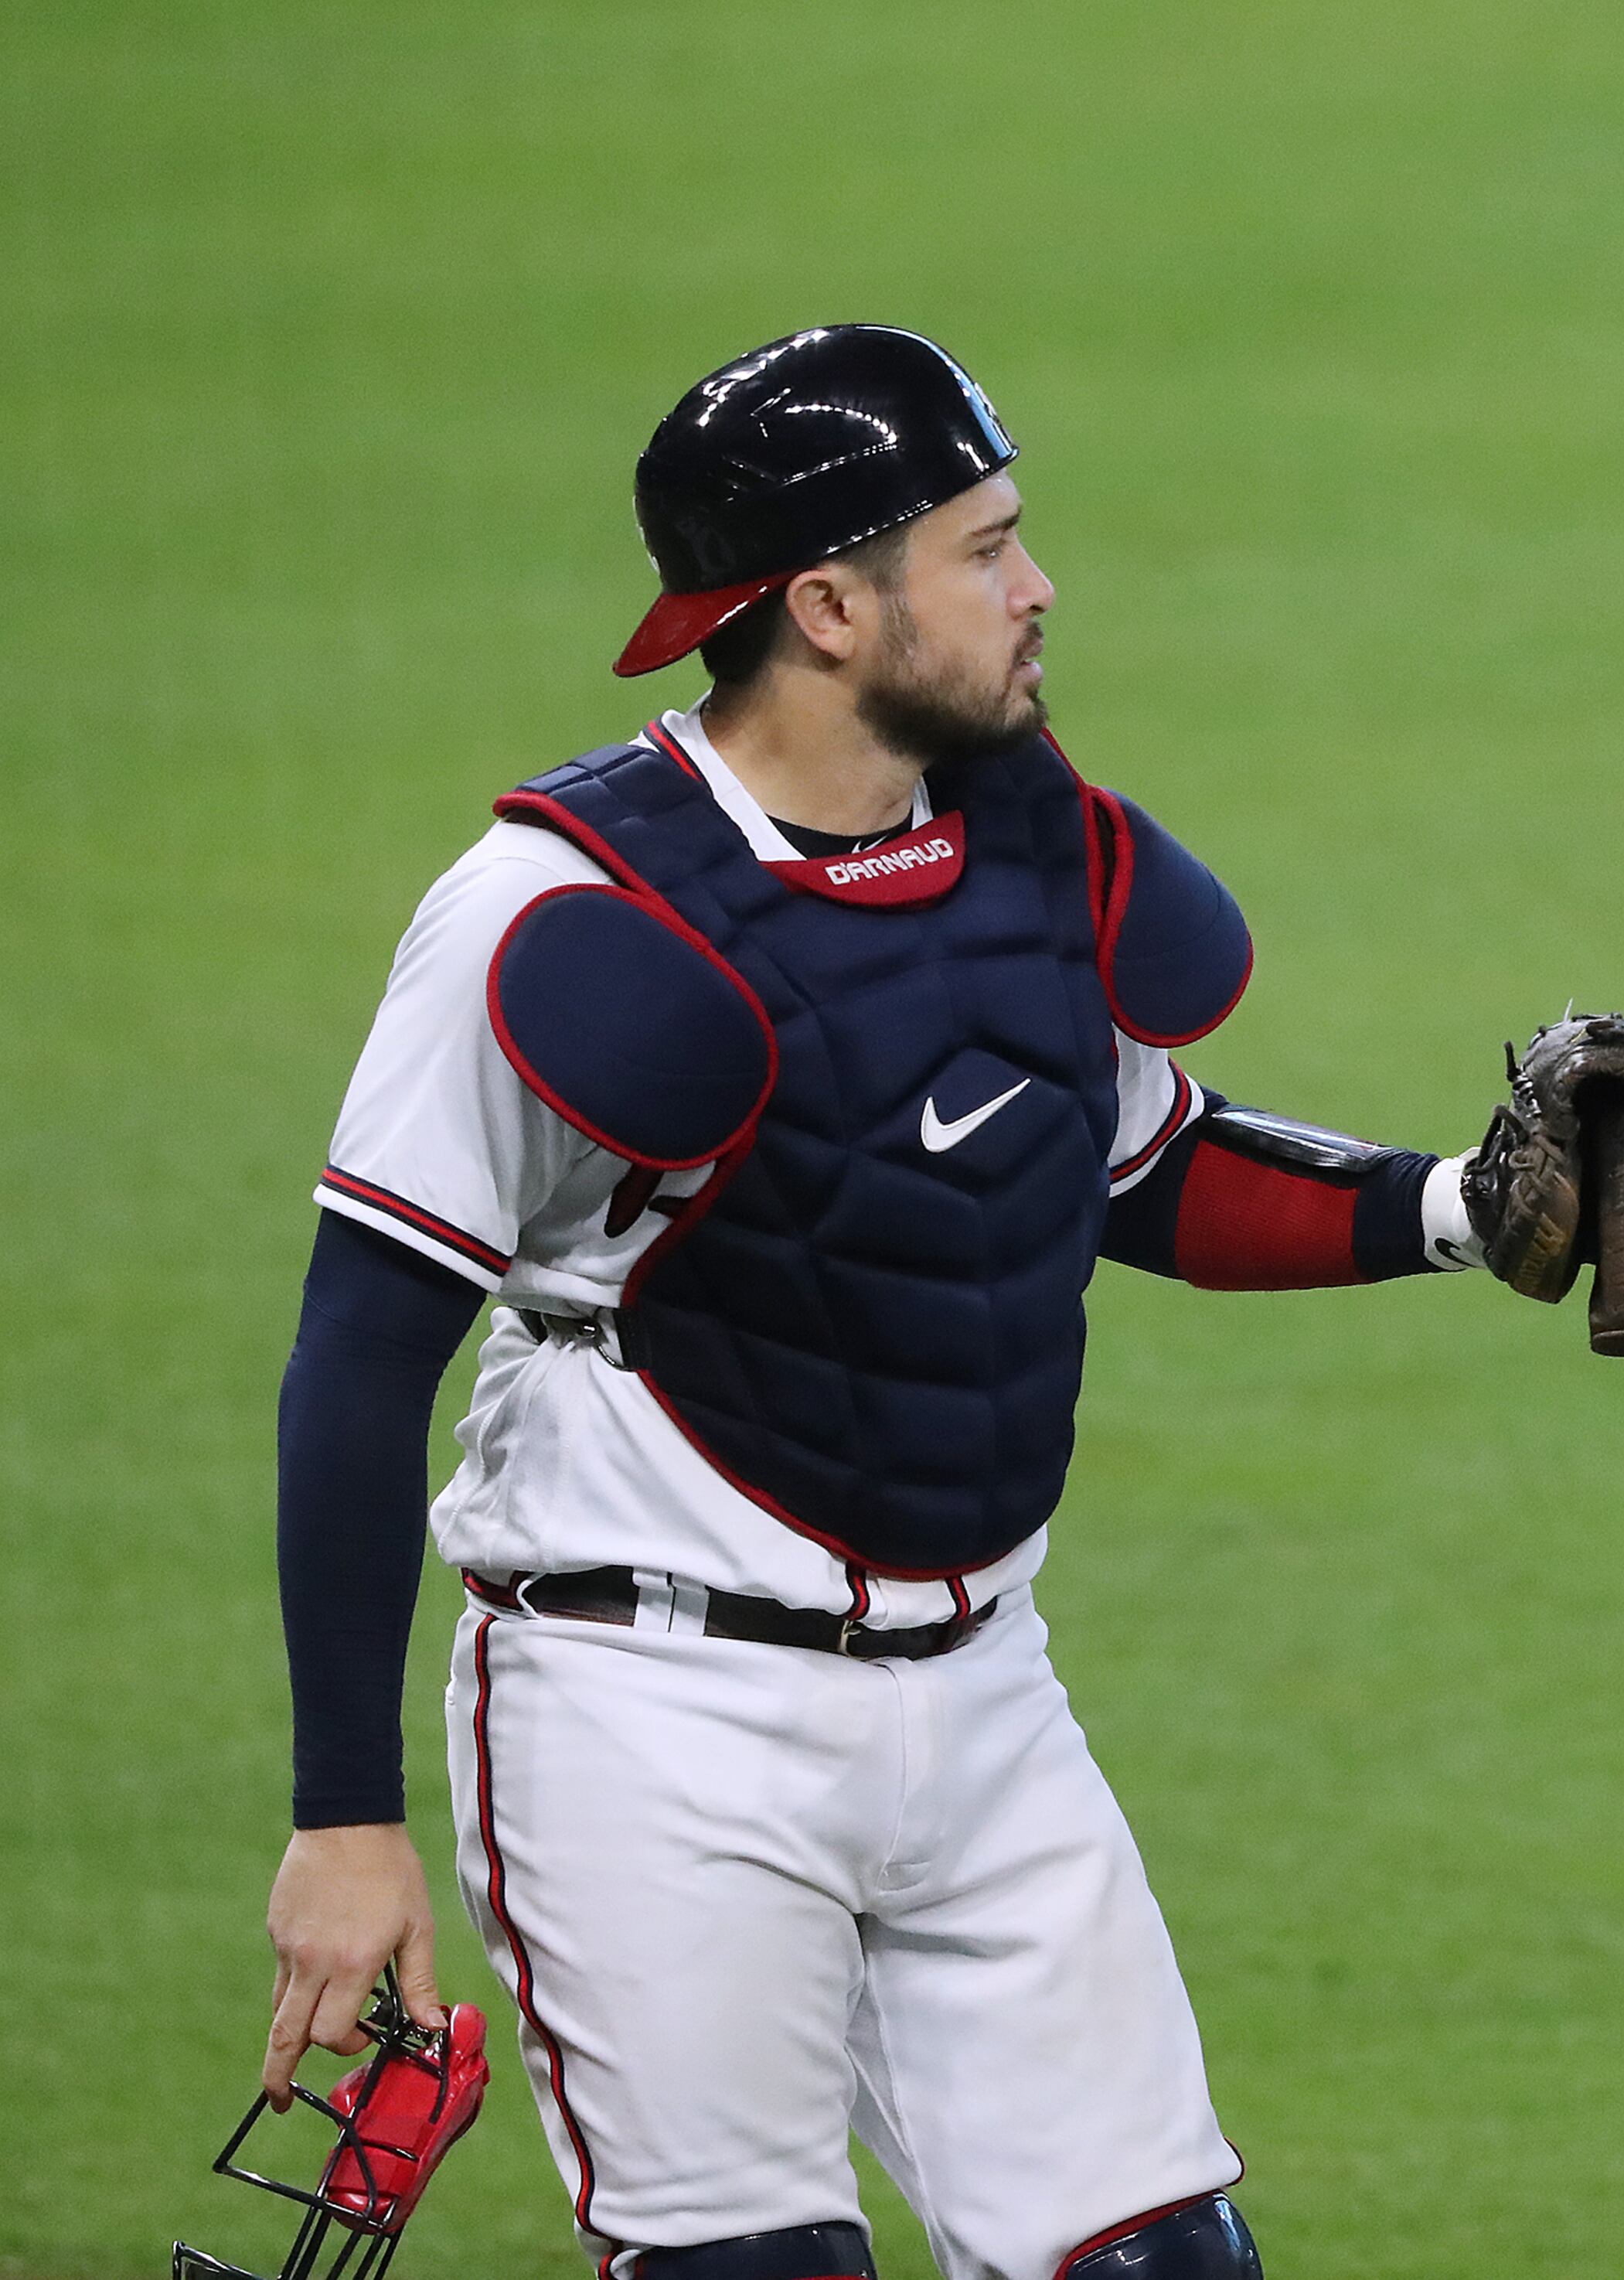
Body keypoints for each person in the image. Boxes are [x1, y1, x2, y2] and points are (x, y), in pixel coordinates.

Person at [263, 325, 1507, 2280]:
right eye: (989, 546)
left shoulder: (1017, 824)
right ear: (831, 606)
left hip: (987, 1694)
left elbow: (1139, 1164)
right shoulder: (552, 911)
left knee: (1163, 2263)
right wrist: (345, 1818)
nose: (1040, 589)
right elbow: (360, 1358)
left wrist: (1469, 1205)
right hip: (653, 1717)